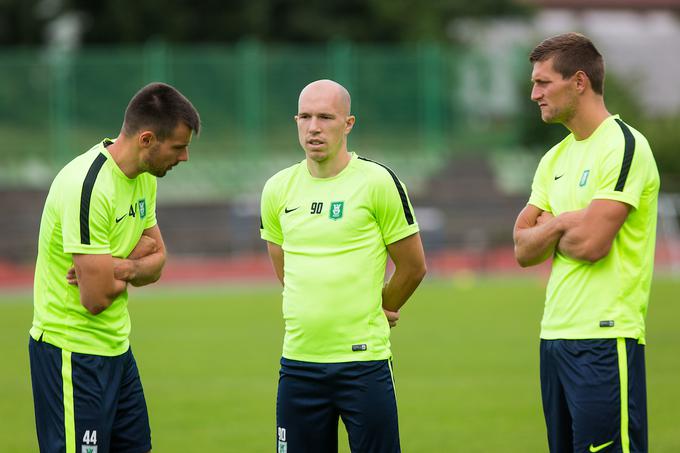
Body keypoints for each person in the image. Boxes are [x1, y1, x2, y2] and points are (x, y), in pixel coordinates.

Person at [29, 82, 200, 453]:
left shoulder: (143, 179)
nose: (184, 158)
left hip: (118, 350)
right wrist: (131, 264)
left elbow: (158, 261)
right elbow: (94, 298)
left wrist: (116, 268)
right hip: (72, 354)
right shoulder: (88, 187)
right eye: (179, 147)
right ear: (148, 140)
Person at [260, 79, 426, 452]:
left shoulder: (378, 182)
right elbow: (286, 271)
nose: (313, 127)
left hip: (363, 364)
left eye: (325, 117)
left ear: (348, 124)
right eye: (305, 116)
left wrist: (384, 306)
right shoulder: (276, 189)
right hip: (298, 364)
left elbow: (413, 266)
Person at [513, 33, 659, 453]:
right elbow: (522, 249)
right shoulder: (554, 158)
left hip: (605, 337)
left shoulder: (624, 145)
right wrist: (565, 224)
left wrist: (550, 228)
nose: (533, 93)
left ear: (578, 81)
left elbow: (594, 242)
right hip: (554, 336)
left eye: (543, 83)